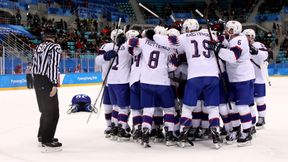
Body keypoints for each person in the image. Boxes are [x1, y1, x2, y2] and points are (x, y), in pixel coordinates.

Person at [217, 21, 255, 146]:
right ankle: (236, 129)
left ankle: (247, 132)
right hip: (233, 77)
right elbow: (229, 45)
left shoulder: (240, 39)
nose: (227, 30)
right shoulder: (233, 39)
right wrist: (221, 42)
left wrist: (219, 49)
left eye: (230, 29)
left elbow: (233, 56)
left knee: (242, 106)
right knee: (231, 106)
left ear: (235, 30)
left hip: (243, 77)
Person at [32, 33, 62, 153]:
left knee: (45, 111)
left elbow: (34, 65)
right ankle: (47, 140)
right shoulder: (55, 47)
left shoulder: (38, 47)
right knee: (53, 112)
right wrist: (54, 83)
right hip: (47, 80)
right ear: (54, 38)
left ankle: (42, 136)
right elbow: (54, 65)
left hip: (37, 80)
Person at [242, 29, 268, 129]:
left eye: (252, 35)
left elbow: (265, 55)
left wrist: (256, 52)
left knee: (260, 100)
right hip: (246, 77)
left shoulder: (258, 44)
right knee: (249, 102)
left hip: (258, 78)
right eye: (248, 35)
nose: (250, 37)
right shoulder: (241, 45)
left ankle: (262, 117)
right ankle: (251, 121)